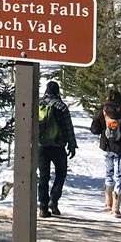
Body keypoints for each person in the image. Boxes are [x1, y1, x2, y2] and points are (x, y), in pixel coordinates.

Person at [91, 86, 121, 218]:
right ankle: (116, 208)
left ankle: (107, 202)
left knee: (109, 173)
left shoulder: (103, 111)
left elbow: (94, 129)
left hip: (107, 147)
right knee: (119, 177)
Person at [37, 80, 77, 217]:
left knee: (43, 177)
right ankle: (53, 200)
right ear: (57, 91)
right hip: (58, 147)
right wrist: (72, 145)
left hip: (41, 146)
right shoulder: (61, 107)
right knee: (60, 174)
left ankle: (43, 207)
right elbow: (68, 128)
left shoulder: (38, 104)